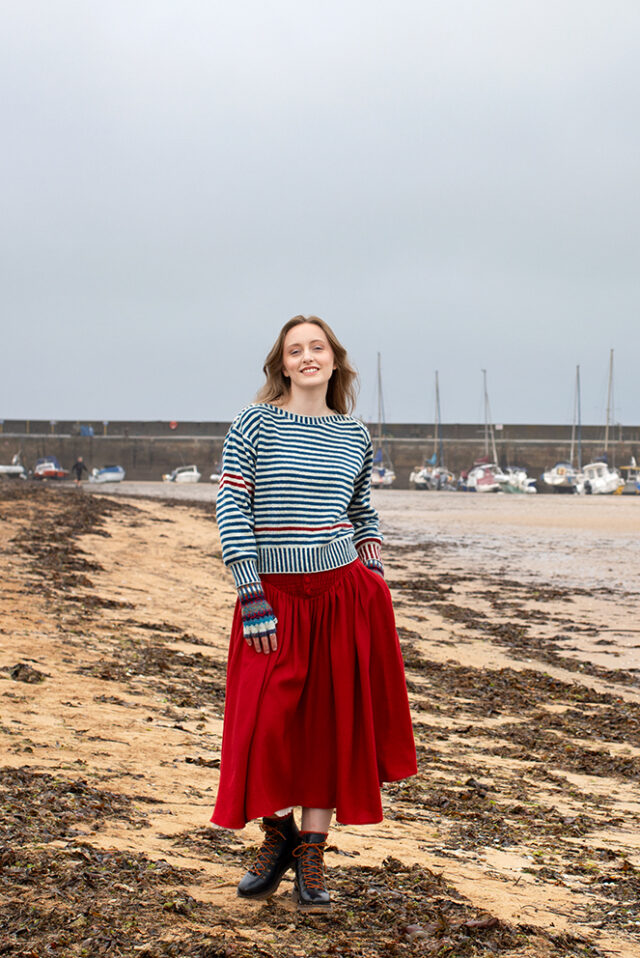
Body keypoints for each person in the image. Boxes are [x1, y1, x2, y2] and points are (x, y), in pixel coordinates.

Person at [211, 315, 416, 912]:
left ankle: (313, 852)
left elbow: (362, 511)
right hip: (271, 597)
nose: (307, 357)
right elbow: (232, 508)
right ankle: (277, 834)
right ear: (282, 363)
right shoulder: (253, 423)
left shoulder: (354, 434)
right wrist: (251, 595)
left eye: (316, 348)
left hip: (340, 597)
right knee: (266, 724)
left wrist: (372, 572)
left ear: (334, 359)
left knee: (328, 728)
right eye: (294, 350)